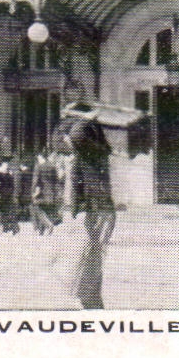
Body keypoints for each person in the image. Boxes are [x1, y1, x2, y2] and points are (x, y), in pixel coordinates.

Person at [67, 115, 115, 309]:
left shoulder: (86, 156)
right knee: (94, 251)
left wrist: (76, 208)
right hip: (101, 209)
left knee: (92, 251)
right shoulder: (96, 154)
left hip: (98, 209)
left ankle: (89, 295)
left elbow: (76, 135)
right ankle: (91, 295)